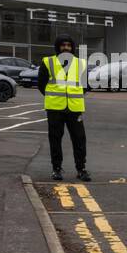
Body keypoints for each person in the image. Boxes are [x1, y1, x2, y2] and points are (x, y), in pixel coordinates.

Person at [38, 33, 90, 182]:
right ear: (58, 47)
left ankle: (81, 169)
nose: (66, 48)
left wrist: (76, 94)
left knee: (79, 139)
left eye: (68, 45)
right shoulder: (48, 62)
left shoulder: (81, 63)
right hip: (55, 108)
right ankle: (56, 169)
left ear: (72, 47)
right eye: (63, 45)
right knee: (55, 139)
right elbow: (41, 84)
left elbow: (86, 85)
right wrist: (52, 96)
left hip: (74, 108)